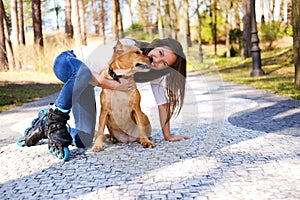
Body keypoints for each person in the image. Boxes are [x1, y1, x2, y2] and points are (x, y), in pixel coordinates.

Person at [17, 38, 189, 158]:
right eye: (159, 52)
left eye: (164, 63)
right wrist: (115, 85)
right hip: (69, 62)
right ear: (156, 45)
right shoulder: (127, 46)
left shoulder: (151, 71)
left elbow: (162, 102)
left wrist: (168, 135)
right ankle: (55, 118)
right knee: (83, 72)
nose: (156, 59)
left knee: (84, 139)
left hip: (85, 83)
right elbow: (92, 72)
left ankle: (43, 125)